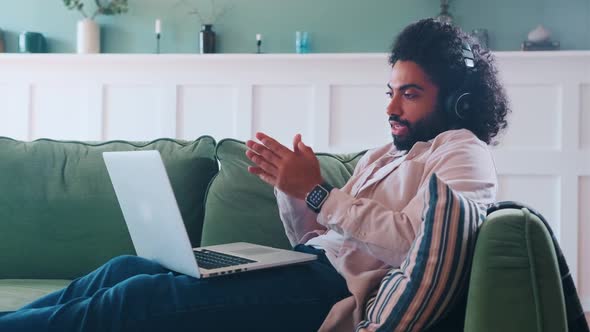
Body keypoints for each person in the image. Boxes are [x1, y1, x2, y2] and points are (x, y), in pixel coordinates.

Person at [0, 18, 509, 332]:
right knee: (124, 270)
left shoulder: (462, 154)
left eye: (411, 94)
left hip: (332, 291)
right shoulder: (386, 156)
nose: (393, 107)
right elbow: (319, 236)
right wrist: (293, 192)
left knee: (136, 300)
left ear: (459, 100)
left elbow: (419, 247)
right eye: (391, 91)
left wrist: (317, 191)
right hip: (310, 264)